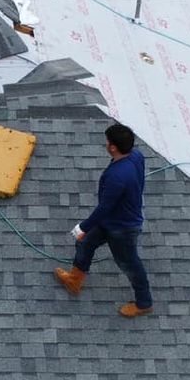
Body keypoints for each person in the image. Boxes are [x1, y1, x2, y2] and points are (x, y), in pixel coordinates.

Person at [54, 123, 153, 317]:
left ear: (113, 147)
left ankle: (144, 302)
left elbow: (105, 207)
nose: (106, 143)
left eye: (108, 141)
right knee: (85, 244)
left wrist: (83, 226)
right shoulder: (137, 156)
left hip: (122, 228)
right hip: (112, 220)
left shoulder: (117, 176)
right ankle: (74, 280)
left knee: (129, 264)